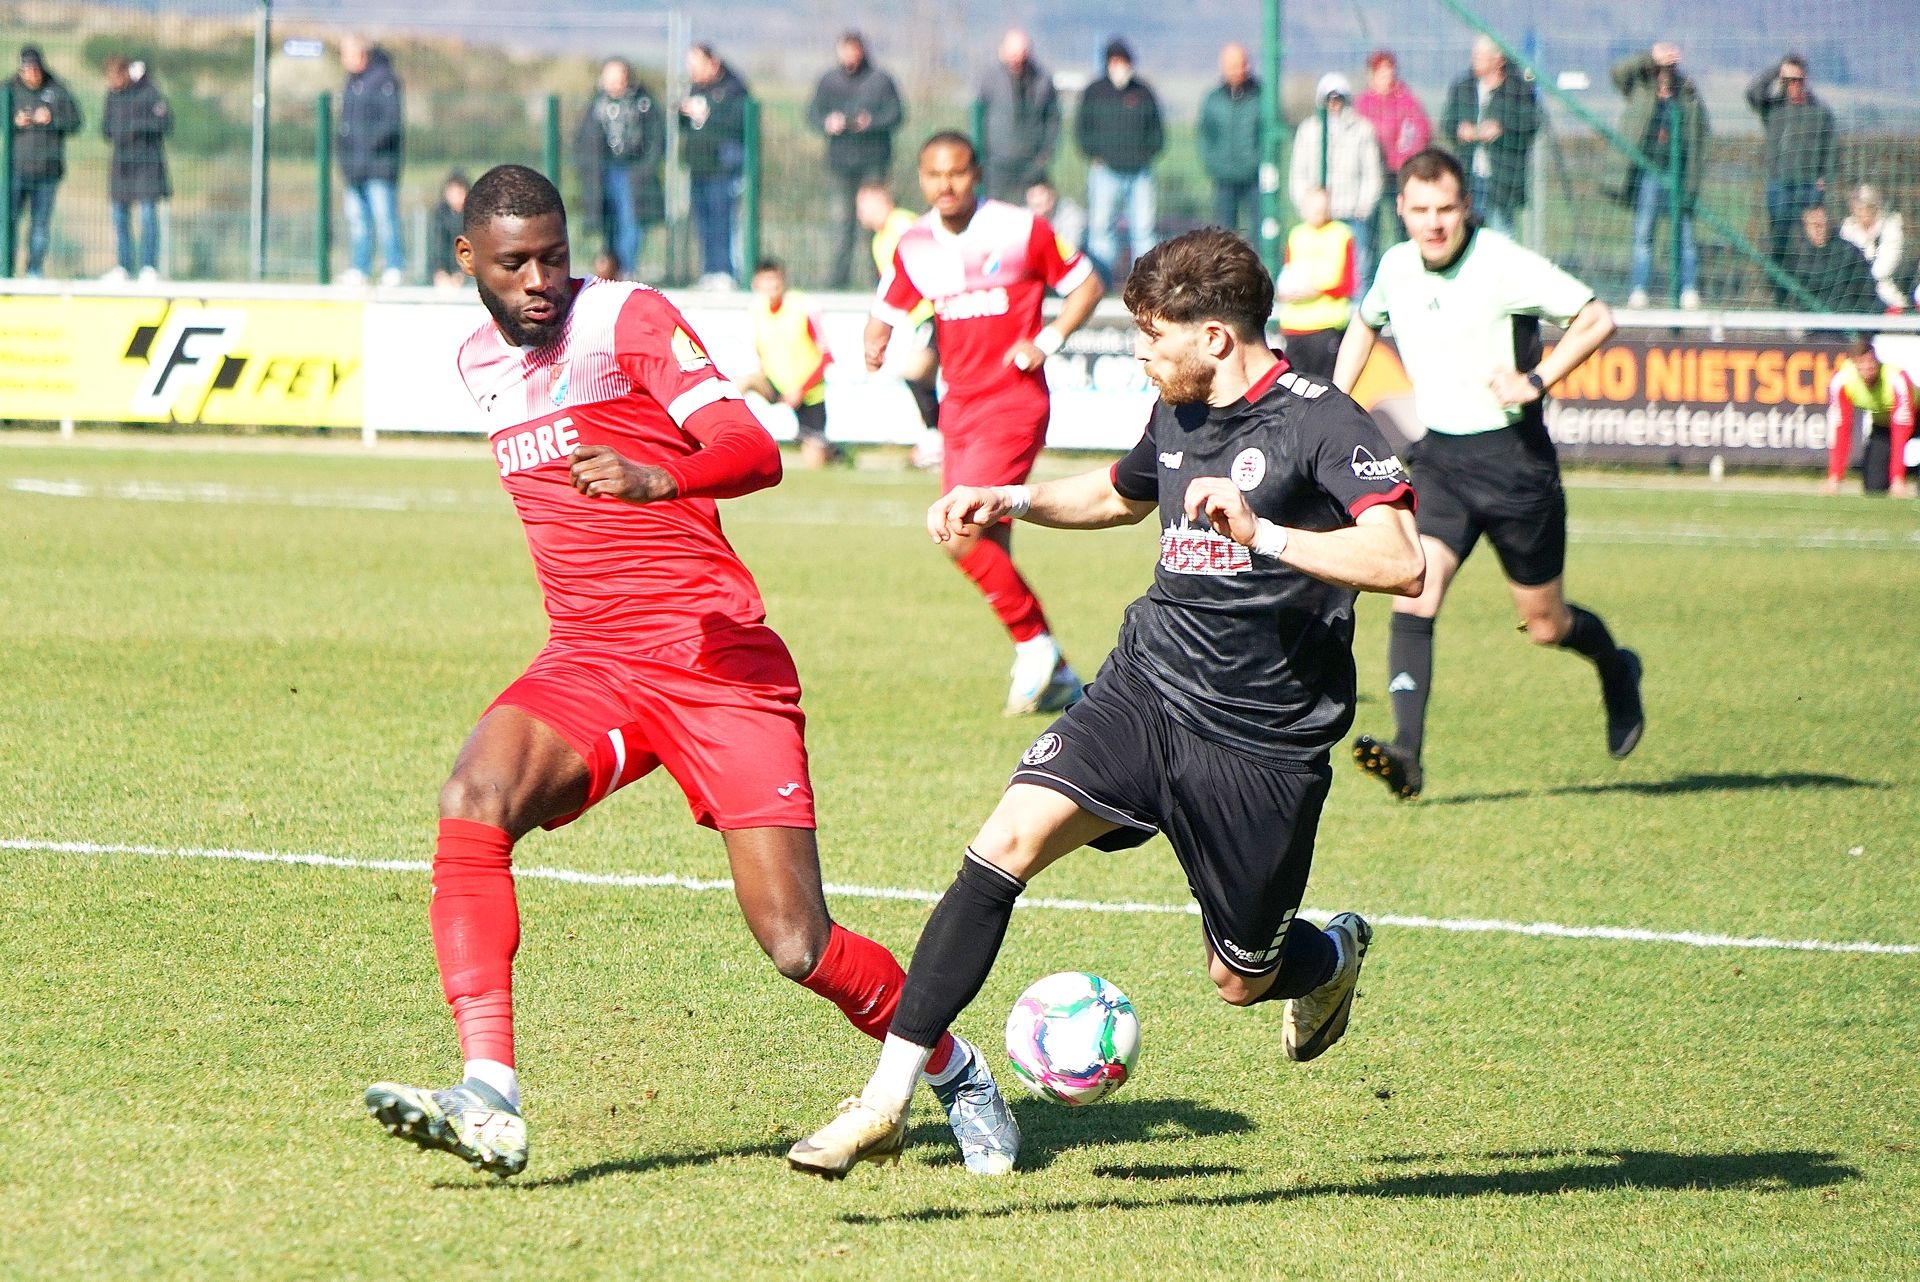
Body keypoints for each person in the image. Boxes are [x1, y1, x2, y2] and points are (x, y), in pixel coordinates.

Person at [361, 164, 1015, 1180]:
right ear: (467, 259)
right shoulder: (475, 361)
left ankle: (954, 1067)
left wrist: (661, 475)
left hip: (716, 661)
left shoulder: (626, 318)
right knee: (472, 798)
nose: (539, 281)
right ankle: (488, 1093)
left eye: (553, 257)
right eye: (515, 263)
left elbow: (753, 448)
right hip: (591, 656)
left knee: (797, 942)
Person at [786, 227, 1425, 1180]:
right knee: (1002, 844)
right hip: (1145, 688)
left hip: (1262, 741)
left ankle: (1327, 957)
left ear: (1215, 337)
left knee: (1240, 978)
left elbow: (1403, 561)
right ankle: (883, 1102)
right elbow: (1124, 495)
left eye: (1152, 335)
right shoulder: (1177, 407)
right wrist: (1014, 499)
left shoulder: (1323, 421)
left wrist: (1265, 535)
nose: (1138, 353)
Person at [1332, 148, 1642, 800]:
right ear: (1401, 209)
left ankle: (1616, 668)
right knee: (1414, 587)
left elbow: (1597, 317)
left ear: (1466, 206)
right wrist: (1332, 406)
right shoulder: (1395, 266)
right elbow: (1364, 324)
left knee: (1545, 625)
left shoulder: (1502, 262)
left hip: (1515, 467)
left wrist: (1537, 379)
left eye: (1446, 209)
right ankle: (1407, 753)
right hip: (1440, 462)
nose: (1434, 222)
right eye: (1421, 210)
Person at [868, 132, 1104, 716]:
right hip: (959, 408)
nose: (945, 185)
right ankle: (1058, 676)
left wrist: (1047, 340)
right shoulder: (914, 244)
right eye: (933, 175)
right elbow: (887, 306)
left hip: (1013, 403)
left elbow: (1087, 283)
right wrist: (876, 337)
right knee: (985, 537)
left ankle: (1036, 647)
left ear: (975, 174)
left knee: (958, 530)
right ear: (920, 179)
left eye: (956, 173)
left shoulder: (1020, 230)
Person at [1612, 42, 1707, 310]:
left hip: (1678, 174)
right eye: (1661, 68)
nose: (1665, 74)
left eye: (1670, 68)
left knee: (1684, 236)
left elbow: (1700, 131)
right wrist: (1649, 57)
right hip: (1649, 171)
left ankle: (1688, 289)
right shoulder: (1641, 88)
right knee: (1644, 233)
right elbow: (1617, 73)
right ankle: (1639, 289)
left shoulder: (1686, 94)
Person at [807, 32, 904, 289]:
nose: (849, 55)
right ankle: (838, 280)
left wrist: (871, 122)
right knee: (841, 222)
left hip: (873, 162)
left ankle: (880, 279)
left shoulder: (880, 81)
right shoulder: (829, 81)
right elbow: (813, 113)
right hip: (839, 164)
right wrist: (828, 122)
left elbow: (896, 113)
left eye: (853, 50)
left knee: (875, 223)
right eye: (845, 50)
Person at [855, 180, 941, 446]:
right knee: (923, 376)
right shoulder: (879, 240)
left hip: (934, 311)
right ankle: (938, 436)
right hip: (916, 318)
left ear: (880, 201)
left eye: (863, 206)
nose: (860, 214)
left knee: (916, 371)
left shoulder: (901, 224)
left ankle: (937, 436)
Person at [1747, 56, 1836, 303]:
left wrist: (1824, 179)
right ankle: (1781, 296)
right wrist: (1777, 70)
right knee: (1780, 240)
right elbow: (1752, 93)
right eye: (1788, 81)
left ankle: (1807, 297)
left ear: (1805, 80)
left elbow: (1830, 148)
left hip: (1808, 186)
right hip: (1780, 185)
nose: (1793, 85)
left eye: (1798, 80)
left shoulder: (1819, 112)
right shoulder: (1774, 108)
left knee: (1809, 243)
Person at [1075, 38, 1164, 283]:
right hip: (1105, 172)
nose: (1119, 66)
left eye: (1123, 61)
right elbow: (1082, 128)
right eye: (1114, 61)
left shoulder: (1143, 92)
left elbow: (1157, 130)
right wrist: (1095, 154)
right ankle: (1101, 282)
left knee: (1144, 230)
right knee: (1101, 228)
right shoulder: (1095, 92)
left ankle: (1147, 284)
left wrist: (1145, 154)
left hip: (1140, 173)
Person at [1288, 73, 1382, 291]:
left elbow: (1371, 172)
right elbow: (1298, 173)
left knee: (1358, 269)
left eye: (1338, 98)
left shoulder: (1362, 130)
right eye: (1329, 98)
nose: (1334, 103)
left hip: (1352, 214)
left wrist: (1364, 206)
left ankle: (1358, 307)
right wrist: (1306, 205)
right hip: (1318, 217)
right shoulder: (1309, 130)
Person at [574, 58, 665, 282]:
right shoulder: (595, 106)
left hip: (634, 172)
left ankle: (627, 268)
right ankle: (611, 268)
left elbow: (656, 139)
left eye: (619, 77)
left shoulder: (643, 104)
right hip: (604, 172)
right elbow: (583, 142)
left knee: (631, 220)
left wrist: (645, 168)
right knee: (608, 221)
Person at [1439, 36, 1539, 237]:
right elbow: (1448, 121)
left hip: (1503, 176)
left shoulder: (1517, 89)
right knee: (1467, 233)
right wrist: (1460, 129)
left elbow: (1531, 122)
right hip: (1469, 174)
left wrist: (1502, 129)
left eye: (1481, 56)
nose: (1474, 60)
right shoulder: (1463, 86)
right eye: (1474, 55)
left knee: (1500, 232)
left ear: (1498, 60)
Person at [745, 258, 837, 469]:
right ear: (756, 284)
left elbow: (826, 356)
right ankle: (722, 440)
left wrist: (801, 390)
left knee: (815, 460)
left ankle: (833, 451)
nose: (770, 286)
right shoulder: (756, 310)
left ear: (783, 280)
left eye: (774, 280)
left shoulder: (803, 307)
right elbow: (760, 348)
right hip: (776, 385)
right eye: (765, 280)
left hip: (808, 391)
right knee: (742, 382)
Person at [679, 43, 750, 289]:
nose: (693, 72)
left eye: (697, 66)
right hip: (698, 166)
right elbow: (687, 126)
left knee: (723, 219)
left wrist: (709, 114)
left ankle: (726, 272)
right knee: (703, 221)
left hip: (723, 168)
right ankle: (709, 271)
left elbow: (739, 123)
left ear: (713, 63)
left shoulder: (734, 88)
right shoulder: (695, 88)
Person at [7, 47, 80, 279]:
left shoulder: (58, 90)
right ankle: (5, 269)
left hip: (48, 172)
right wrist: (12, 120)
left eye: (35, 69)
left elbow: (75, 122)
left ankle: (34, 271)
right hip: (16, 170)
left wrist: (52, 118)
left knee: (39, 226)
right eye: (27, 69)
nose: (32, 74)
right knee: (7, 223)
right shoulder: (8, 89)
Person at [338, 36, 405, 286]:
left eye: (347, 53)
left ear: (360, 53)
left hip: (379, 167)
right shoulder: (351, 83)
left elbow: (389, 124)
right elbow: (345, 127)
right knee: (358, 220)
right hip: (353, 168)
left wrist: (367, 151)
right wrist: (345, 157)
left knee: (385, 217)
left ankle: (394, 266)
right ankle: (360, 268)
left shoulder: (384, 81)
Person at [100, 54, 171, 283]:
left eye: (116, 78)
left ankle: (148, 267)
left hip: (147, 165)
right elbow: (105, 128)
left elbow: (165, 123)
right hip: (121, 166)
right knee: (120, 217)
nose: (113, 83)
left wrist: (135, 128)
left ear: (125, 74)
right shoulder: (112, 96)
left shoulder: (149, 92)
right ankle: (123, 266)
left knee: (148, 216)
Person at [1355, 50, 1431, 255]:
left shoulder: (1407, 100)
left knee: (1402, 223)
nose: (1386, 76)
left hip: (1399, 173)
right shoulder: (1363, 104)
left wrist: (1404, 158)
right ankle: (1370, 267)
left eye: (1389, 71)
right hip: (1369, 173)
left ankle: (1408, 259)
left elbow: (1419, 132)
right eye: (1381, 72)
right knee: (1369, 227)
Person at [1277, 187, 1357, 380]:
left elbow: (1348, 284)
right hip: (1294, 328)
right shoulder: (1296, 235)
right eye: (1313, 207)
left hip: (1325, 327)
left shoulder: (1341, 234)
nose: (1318, 211)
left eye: (1322, 207)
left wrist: (1318, 292)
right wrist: (1285, 293)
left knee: (1324, 387)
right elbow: (1288, 274)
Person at [1825, 336, 1915, 498]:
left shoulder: (1896, 379)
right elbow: (1841, 428)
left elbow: (1901, 430)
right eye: (1862, 364)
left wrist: (1898, 479)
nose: (1868, 368)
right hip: (1883, 426)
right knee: (1874, 488)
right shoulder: (1842, 381)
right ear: (1854, 365)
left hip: (1913, 416)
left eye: (1871, 362)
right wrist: (1834, 477)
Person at [976, 29, 1059, 203]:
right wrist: (983, 152)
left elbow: (1052, 119)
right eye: (1013, 55)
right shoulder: (990, 78)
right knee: (995, 207)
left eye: (1022, 55)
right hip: (997, 161)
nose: (1017, 61)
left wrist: (1045, 153)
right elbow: (978, 117)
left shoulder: (1042, 79)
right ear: (1003, 52)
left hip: (1031, 161)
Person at [1198, 43, 1263, 242]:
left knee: (1260, 231)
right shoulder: (1213, 100)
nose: (1237, 70)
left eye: (1241, 65)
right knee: (1224, 235)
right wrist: (1214, 165)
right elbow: (1205, 136)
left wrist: (1256, 162)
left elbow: (1268, 134)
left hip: (1255, 179)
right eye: (1232, 66)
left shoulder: (1261, 97)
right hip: (1224, 179)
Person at [1788, 204, 1879, 314]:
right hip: (1813, 320)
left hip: (1848, 317)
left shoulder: (1849, 253)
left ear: (1829, 224)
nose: (1818, 229)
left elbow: (1866, 292)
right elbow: (1798, 300)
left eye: (1821, 224)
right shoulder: (1800, 259)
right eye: (1813, 225)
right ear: (1806, 228)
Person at [1839, 186, 1906, 314]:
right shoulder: (1848, 227)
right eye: (1855, 208)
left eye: (1862, 208)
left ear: (1874, 208)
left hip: (1887, 294)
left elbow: (1882, 270)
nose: (1858, 213)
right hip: (1856, 293)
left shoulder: (1891, 226)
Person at [430, 171, 469, 288]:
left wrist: (462, 274)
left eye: (459, 193)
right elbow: (437, 247)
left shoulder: (474, 219)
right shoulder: (440, 216)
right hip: (444, 276)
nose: (455, 197)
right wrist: (439, 271)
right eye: (452, 192)